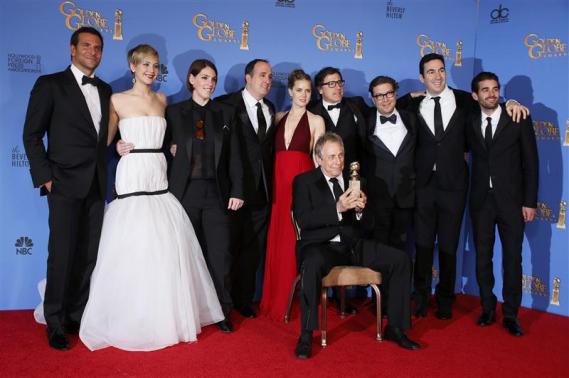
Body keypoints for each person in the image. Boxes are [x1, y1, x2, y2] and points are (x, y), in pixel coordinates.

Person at [78, 45, 224, 351]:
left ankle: (164, 314)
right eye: (145, 64)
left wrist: (173, 148)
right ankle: (128, 314)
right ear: (133, 66)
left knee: (162, 245)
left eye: (155, 66)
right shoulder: (116, 99)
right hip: (131, 173)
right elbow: (104, 140)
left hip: (158, 174)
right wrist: (115, 147)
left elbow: (174, 138)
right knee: (132, 242)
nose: (151, 70)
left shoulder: (163, 100)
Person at [397, 53, 529, 320]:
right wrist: (410, 95)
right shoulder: (412, 105)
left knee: (449, 245)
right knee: (422, 245)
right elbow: (386, 106)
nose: (437, 76)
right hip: (422, 186)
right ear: (422, 77)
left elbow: (492, 104)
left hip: (454, 186)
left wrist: (512, 101)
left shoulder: (463, 100)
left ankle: (445, 300)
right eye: (431, 72)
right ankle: (420, 298)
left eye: (441, 70)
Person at [22, 27, 112, 351]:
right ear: (72, 49)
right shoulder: (50, 85)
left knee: (89, 256)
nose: (92, 51)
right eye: (86, 45)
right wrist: (45, 176)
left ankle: (77, 315)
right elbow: (31, 135)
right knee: (61, 255)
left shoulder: (105, 89)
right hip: (62, 183)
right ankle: (55, 322)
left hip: (96, 184)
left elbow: (103, 139)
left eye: (98, 47)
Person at [292, 133, 419, 359]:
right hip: (322, 247)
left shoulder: (357, 182)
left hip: (353, 245)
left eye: (340, 156)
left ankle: (396, 328)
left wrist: (361, 211)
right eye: (331, 157)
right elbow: (304, 220)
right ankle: (305, 335)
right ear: (318, 158)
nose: (337, 162)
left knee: (400, 260)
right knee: (311, 264)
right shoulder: (304, 182)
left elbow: (370, 224)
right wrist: (337, 208)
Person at [166, 59, 244, 333]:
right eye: (204, 78)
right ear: (191, 79)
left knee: (220, 255)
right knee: (186, 256)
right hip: (184, 194)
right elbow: (160, 148)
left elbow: (235, 154)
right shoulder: (174, 112)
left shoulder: (225, 113)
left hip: (217, 193)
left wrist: (237, 190)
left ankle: (222, 311)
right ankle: (188, 312)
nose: (210, 83)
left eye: (213, 78)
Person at [468, 72, 538, 336]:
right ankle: (487, 308)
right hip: (480, 202)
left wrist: (529, 201)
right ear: (475, 95)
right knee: (483, 258)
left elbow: (531, 164)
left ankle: (511, 314)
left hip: (511, 202)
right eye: (484, 90)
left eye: (495, 89)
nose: (491, 94)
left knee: (512, 259)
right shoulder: (470, 119)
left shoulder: (518, 117)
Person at [260, 69, 325, 321]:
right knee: (278, 238)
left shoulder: (316, 120)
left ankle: (297, 300)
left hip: (301, 186)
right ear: (289, 91)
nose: (304, 95)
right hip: (278, 185)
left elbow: (318, 161)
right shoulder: (277, 117)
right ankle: (274, 297)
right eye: (299, 90)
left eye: (308, 91)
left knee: (295, 239)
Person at [215, 59, 275, 319]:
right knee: (227, 248)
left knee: (252, 251)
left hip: (262, 192)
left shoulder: (271, 108)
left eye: (271, 76)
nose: (267, 80)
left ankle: (243, 299)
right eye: (262, 75)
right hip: (232, 192)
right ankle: (221, 304)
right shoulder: (224, 105)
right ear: (247, 77)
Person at [365, 76, 417, 251]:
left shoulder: (412, 119)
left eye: (388, 93)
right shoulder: (365, 121)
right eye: (379, 96)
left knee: (401, 250)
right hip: (376, 200)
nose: (385, 99)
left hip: (405, 196)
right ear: (372, 99)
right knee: (377, 250)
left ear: (396, 94)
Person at [309, 67, 368, 176]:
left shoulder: (356, 104)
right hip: (323, 177)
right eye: (331, 84)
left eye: (339, 82)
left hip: (353, 175)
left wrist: (409, 97)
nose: (338, 87)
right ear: (320, 89)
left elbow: (380, 110)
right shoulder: (310, 111)